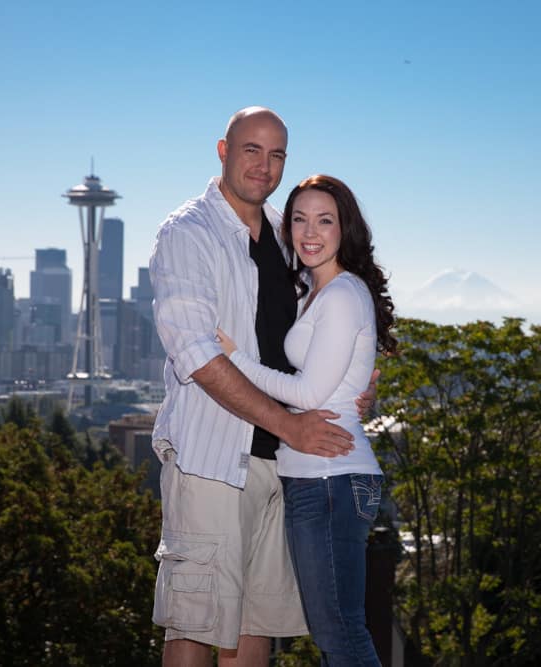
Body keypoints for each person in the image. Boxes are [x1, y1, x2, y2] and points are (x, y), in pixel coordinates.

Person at [149, 107, 373, 667]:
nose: (264, 165)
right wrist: (287, 423)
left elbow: (324, 330)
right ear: (223, 151)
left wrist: (351, 388)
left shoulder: (285, 233)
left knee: (256, 630)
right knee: (197, 626)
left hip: (288, 467)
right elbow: (197, 354)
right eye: (251, 149)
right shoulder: (188, 232)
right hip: (213, 460)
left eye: (277, 155)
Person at [217, 174, 397, 666]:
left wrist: (233, 359)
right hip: (313, 477)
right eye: (299, 219)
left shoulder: (340, 294)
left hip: (331, 479)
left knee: (340, 634)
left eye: (324, 220)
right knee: (333, 632)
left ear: (345, 229)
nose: (309, 231)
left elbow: (310, 392)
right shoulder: (314, 290)